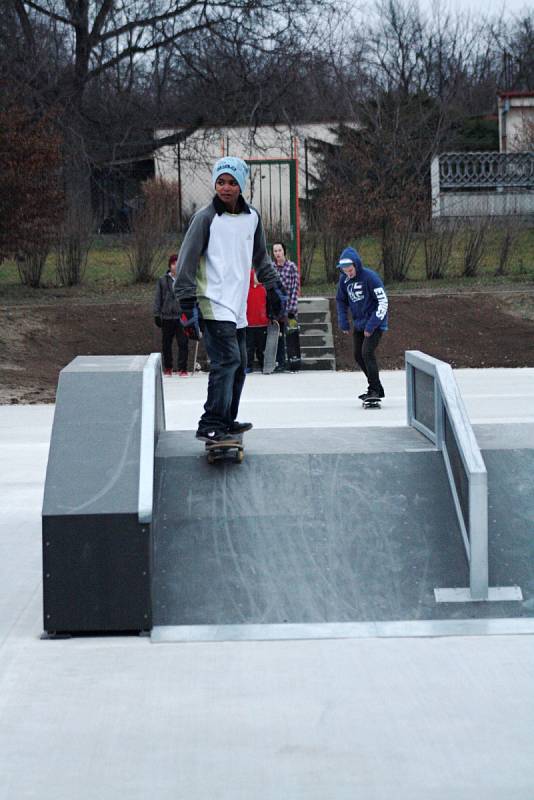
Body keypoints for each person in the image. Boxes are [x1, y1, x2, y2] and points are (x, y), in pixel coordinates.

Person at [173, 156, 286, 443]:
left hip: (238, 305)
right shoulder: (206, 218)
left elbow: (260, 257)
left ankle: (226, 419)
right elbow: (186, 260)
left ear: (241, 185)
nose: (225, 188)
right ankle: (210, 422)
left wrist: (272, 290)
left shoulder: (252, 218)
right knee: (227, 361)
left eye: (232, 183)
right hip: (212, 301)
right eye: (221, 182)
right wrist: (186, 304)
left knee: (241, 364)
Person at [335, 246, 388, 401]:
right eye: (345, 271)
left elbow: (383, 301)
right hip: (359, 324)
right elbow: (340, 300)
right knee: (358, 355)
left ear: (356, 265)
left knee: (367, 353)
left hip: (375, 322)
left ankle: (374, 390)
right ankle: (377, 387)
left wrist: (372, 325)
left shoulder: (370, 277)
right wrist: (343, 321)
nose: (348, 273)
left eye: (350, 270)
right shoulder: (344, 280)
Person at [153, 254, 189, 377]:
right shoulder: (162, 280)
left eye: (178, 264)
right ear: (170, 265)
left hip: (181, 317)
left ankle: (182, 368)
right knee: (166, 344)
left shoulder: (184, 279)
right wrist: (157, 314)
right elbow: (158, 298)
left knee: (183, 343)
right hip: (167, 317)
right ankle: (168, 367)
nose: (175, 266)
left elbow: (189, 297)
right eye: (173, 264)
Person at [272, 241, 299, 372]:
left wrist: (291, 308)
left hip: (290, 309)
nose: (277, 253)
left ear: (284, 251)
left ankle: (294, 362)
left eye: (279, 250)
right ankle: (280, 362)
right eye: (275, 251)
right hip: (277, 309)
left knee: (292, 335)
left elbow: (295, 288)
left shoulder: (291, 267)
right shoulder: (272, 268)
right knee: (279, 336)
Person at [245, 268, 269, 372]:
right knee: (249, 347)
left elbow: (268, 305)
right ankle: (248, 365)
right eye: (256, 275)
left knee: (261, 347)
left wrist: (268, 316)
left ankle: (263, 364)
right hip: (249, 324)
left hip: (262, 323)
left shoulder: (264, 290)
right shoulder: (246, 291)